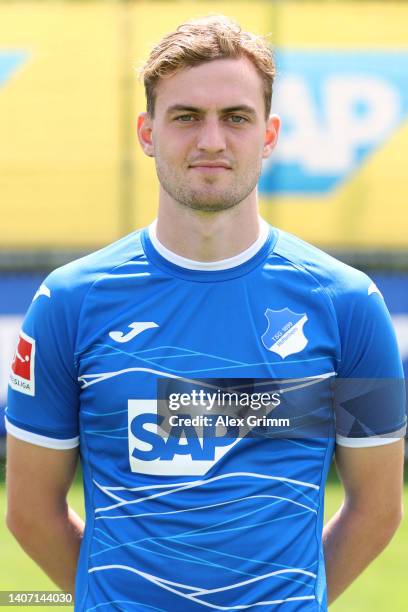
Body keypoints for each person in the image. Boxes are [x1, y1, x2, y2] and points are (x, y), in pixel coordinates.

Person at [5, 15, 406, 611]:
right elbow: (30, 512)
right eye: (186, 117)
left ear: (269, 135)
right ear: (147, 132)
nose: (211, 140)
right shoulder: (67, 303)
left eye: (236, 118)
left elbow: (378, 511)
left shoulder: (351, 306)